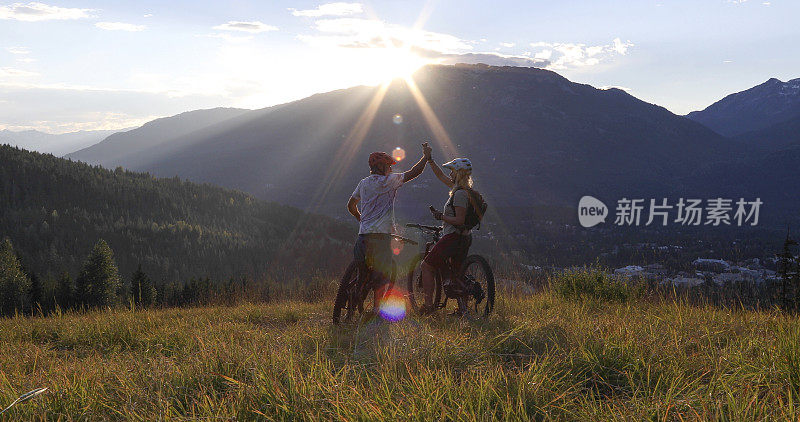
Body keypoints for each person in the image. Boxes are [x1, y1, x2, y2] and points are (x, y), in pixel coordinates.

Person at [347, 143, 432, 314]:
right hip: (381, 237)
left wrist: (360, 218)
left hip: (363, 235)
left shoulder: (363, 183)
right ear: (380, 166)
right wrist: (425, 157)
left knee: (360, 271)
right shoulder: (389, 181)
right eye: (388, 166)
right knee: (381, 275)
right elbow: (415, 173)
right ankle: (377, 310)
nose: (390, 170)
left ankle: (354, 294)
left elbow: (350, 205)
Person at [420, 156, 477, 315]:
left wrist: (441, 217)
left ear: (458, 173)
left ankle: (429, 307)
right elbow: (440, 176)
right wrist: (430, 159)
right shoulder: (463, 190)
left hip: (453, 238)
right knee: (458, 272)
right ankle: (463, 309)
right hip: (465, 238)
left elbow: (459, 219)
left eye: (452, 171)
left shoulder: (459, 194)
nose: (450, 174)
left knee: (426, 266)